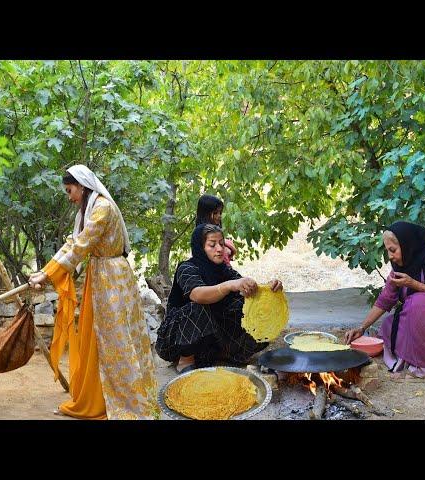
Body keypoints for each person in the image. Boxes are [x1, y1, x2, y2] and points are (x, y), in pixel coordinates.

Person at [28, 165, 157, 420]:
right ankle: (96, 398)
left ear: (83, 186)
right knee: (97, 339)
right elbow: (72, 243)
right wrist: (45, 271)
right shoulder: (86, 212)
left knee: (116, 341)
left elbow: (81, 246)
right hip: (99, 278)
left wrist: (48, 275)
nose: (69, 197)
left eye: (70, 191)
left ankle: (126, 401)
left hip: (113, 281)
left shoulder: (102, 209)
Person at [345, 221, 425, 382]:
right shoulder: (401, 266)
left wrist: (414, 284)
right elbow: (385, 300)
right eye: (388, 251)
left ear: (407, 245)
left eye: (393, 250)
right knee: (390, 324)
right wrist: (362, 328)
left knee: (418, 303)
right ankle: (420, 356)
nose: (390, 256)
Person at [155, 223, 283, 373]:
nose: (220, 249)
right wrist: (228, 285)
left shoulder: (223, 269)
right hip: (176, 340)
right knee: (198, 307)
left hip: (211, 335)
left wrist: (269, 288)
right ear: (200, 247)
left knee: (246, 307)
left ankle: (220, 353)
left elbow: (247, 292)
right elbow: (198, 294)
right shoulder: (187, 268)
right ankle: (186, 360)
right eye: (212, 245)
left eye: (222, 244)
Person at [196, 194, 236, 265]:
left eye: (220, 213)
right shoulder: (201, 233)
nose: (219, 216)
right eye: (215, 213)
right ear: (205, 214)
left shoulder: (215, 231)